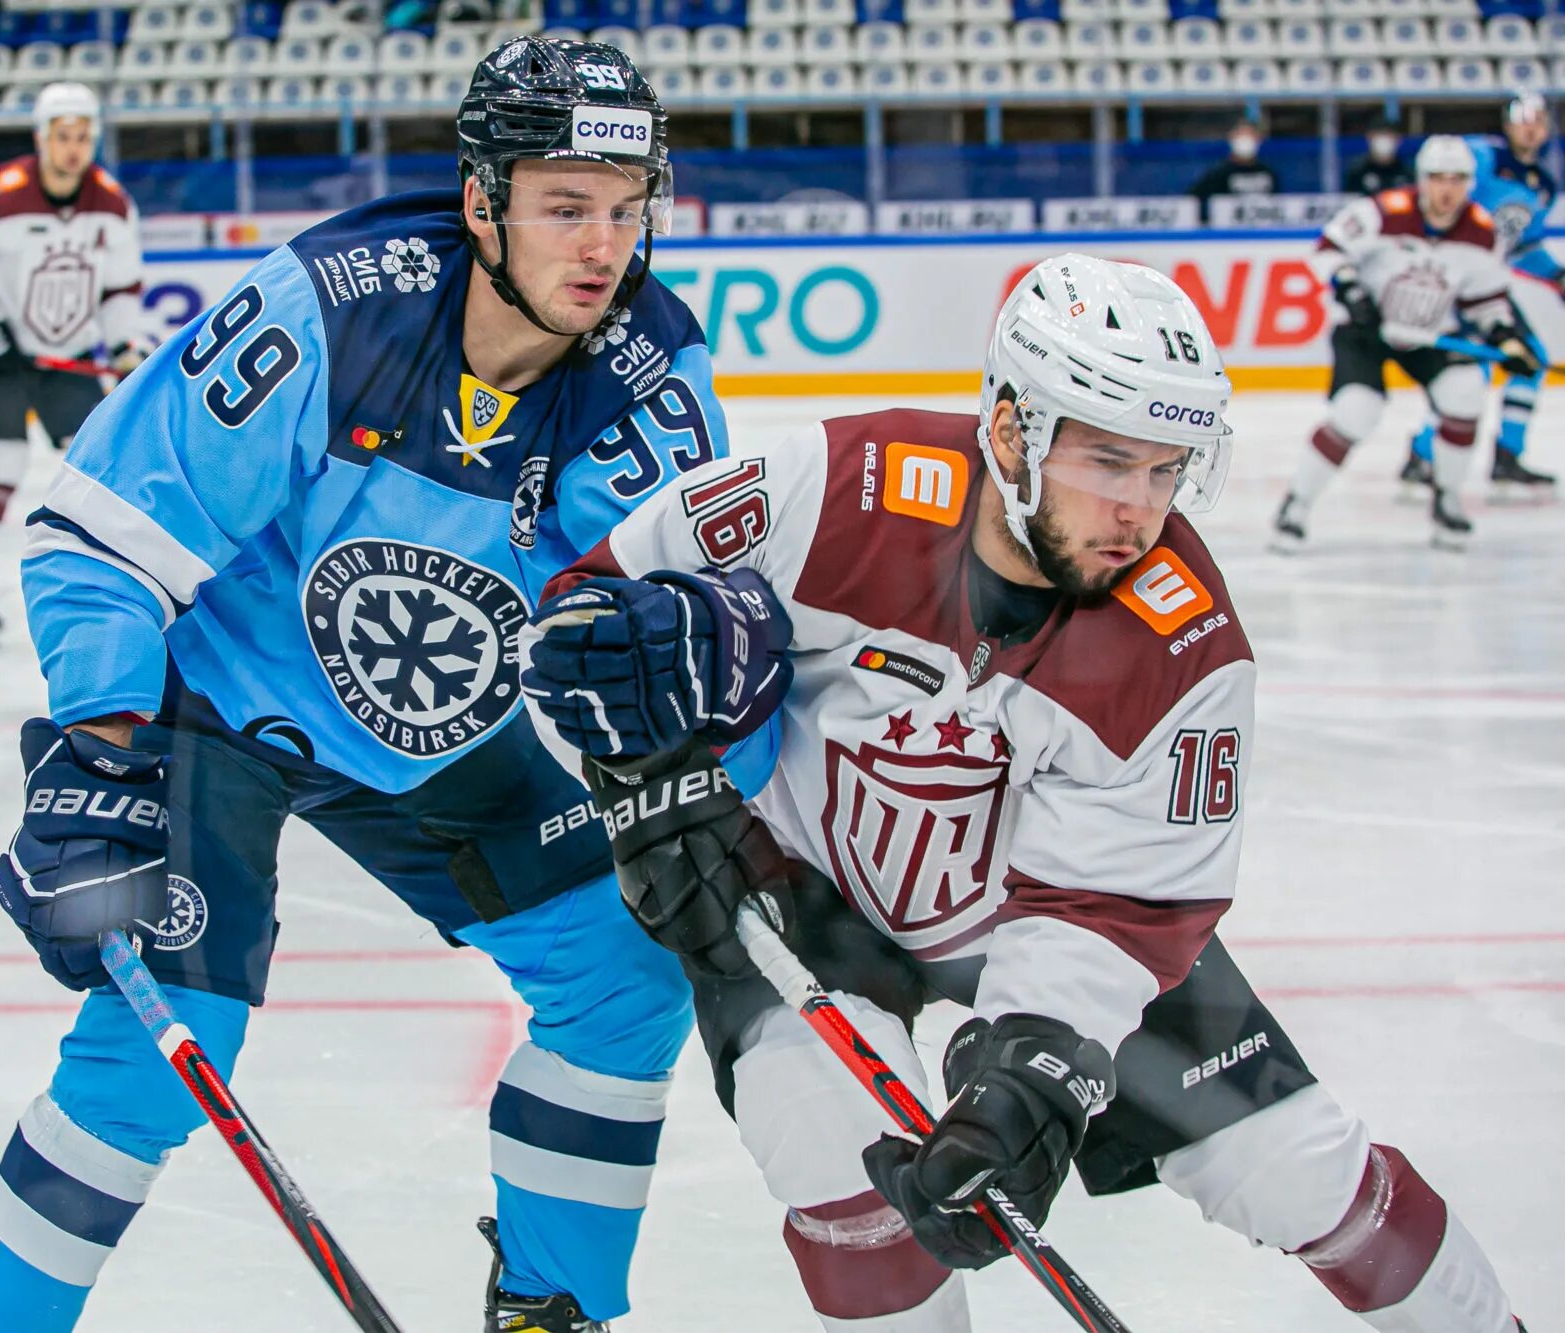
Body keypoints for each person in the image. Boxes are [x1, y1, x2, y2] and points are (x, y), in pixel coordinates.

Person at [520, 254, 1530, 1333]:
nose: (1138, 510)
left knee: (1289, 1163)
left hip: (1038, 913)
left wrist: (1030, 1073)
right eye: (1106, 461)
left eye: (1162, 470)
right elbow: (582, 636)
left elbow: (1117, 908)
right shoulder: (835, 486)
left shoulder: (1183, 643)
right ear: (1009, 432)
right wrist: (637, 776)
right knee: (829, 1157)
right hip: (801, 890)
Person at [0, 38, 727, 1333]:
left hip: (441, 732)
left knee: (625, 979)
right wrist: (96, 747)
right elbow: (101, 533)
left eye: (625, 206)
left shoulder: (646, 371)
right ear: (481, 200)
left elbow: (676, 626)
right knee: (159, 1047)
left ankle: (551, 1310)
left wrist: (693, 770)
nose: (603, 245)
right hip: (222, 706)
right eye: (564, 206)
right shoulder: (332, 304)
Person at [0, 81, 156, 650]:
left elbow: (121, 288)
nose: (73, 148)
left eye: (82, 136)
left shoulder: (113, 206)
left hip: (62, 358)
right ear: (42, 138)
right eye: (62, 136)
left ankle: (118, 590)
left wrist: (124, 345)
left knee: (99, 467)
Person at [1273, 135, 1536, 553]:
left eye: (1457, 179)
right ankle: (1297, 504)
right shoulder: (1383, 211)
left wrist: (1505, 337)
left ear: (1470, 183)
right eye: (1437, 178)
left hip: (1431, 334)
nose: (1446, 189)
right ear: (1421, 179)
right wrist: (1353, 293)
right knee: (1356, 411)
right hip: (1367, 330)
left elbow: (1486, 302)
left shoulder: (1483, 234)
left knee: (1466, 394)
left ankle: (1447, 496)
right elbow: (1327, 249)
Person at [1403, 91, 1559, 492]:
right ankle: (1423, 453)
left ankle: (1506, 454)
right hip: (1454, 281)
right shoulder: (1481, 157)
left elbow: (1523, 246)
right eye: (1524, 120)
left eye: (1538, 121)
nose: (1531, 128)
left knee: (1530, 359)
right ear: (1507, 125)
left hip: (1489, 285)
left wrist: (1556, 275)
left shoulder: (1543, 184)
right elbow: (1435, 193)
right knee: (1471, 370)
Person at [1188, 118, 1278, 204]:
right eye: (1240, 135)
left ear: (1259, 139)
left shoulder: (1268, 172)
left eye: (1250, 135)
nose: (1245, 140)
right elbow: (1192, 201)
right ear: (1231, 138)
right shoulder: (1218, 173)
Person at [1343, 116, 1409, 196]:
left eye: (1388, 135)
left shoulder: (1406, 172)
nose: (1384, 140)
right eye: (1380, 135)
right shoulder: (1357, 172)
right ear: (1369, 138)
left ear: (1398, 140)